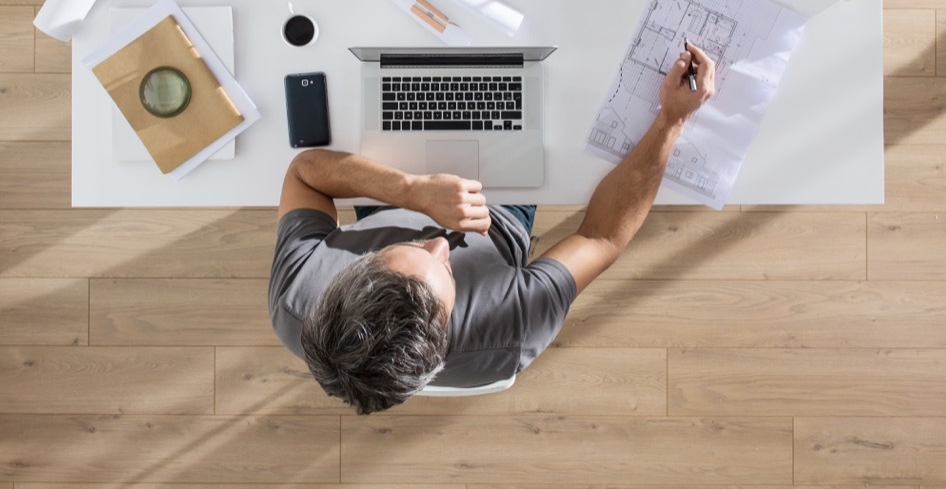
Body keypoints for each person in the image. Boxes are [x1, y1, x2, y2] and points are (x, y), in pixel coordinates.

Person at [268, 43, 716, 414]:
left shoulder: (299, 295)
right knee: (535, 66)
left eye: (405, 246)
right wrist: (672, 120)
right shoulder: (511, 328)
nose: (441, 241)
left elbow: (303, 173)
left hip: (392, 191)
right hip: (499, 207)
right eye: (447, 272)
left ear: (344, 275)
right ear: (447, 331)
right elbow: (600, 237)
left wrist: (410, 190)